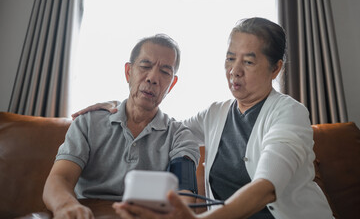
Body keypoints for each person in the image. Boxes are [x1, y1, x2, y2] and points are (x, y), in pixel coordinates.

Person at [74, 18, 333, 219]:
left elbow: (267, 186)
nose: (234, 71)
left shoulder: (289, 113)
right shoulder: (215, 114)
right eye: (230, 59)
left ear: (276, 68)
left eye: (249, 62)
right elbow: (164, 129)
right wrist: (125, 105)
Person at [42, 34, 200, 218]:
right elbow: (60, 178)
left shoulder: (180, 136)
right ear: (128, 72)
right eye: (145, 66)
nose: (153, 78)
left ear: (171, 84)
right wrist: (65, 206)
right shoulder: (88, 122)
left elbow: (184, 194)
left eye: (165, 72)